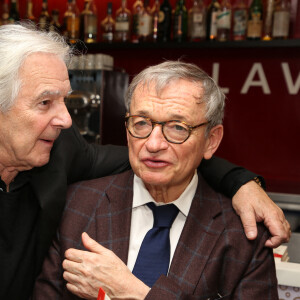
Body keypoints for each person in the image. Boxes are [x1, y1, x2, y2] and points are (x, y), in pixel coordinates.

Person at [0, 23, 288, 299]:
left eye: (178, 127)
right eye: (44, 102)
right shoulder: (77, 211)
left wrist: (240, 182)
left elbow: (149, 158)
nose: (65, 120)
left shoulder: (243, 234)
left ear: (211, 140)